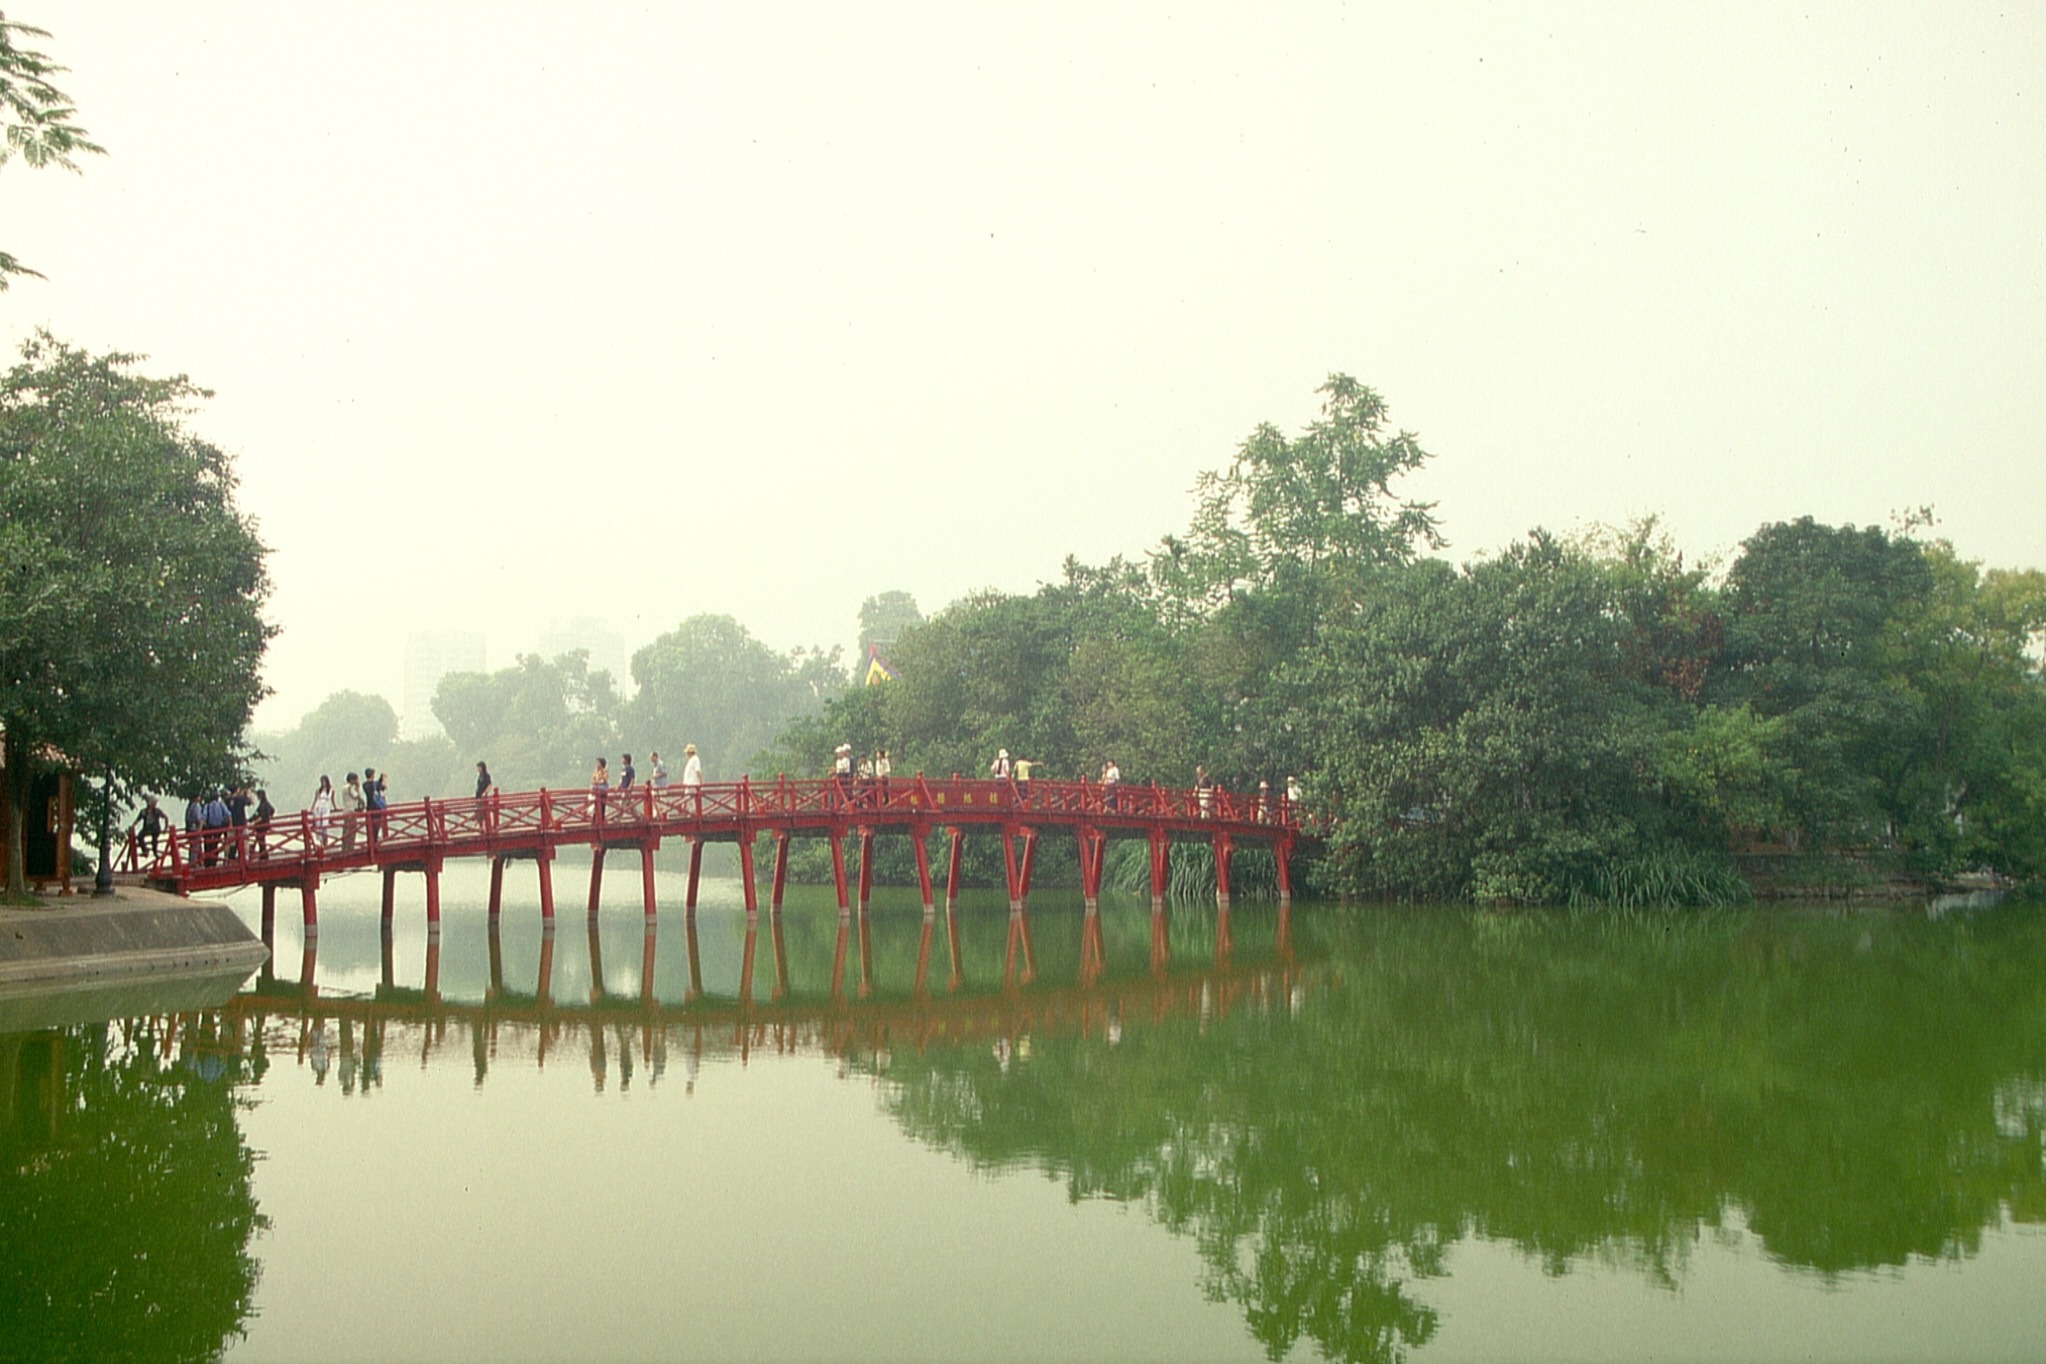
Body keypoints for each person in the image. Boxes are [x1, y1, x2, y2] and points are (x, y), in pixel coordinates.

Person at [128, 795, 169, 860]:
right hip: (147, 828)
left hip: (155, 828)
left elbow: (166, 818)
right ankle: (145, 850)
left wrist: (165, 828)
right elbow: (137, 820)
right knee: (139, 837)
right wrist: (132, 827)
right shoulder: (143, 812)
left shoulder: (157, 811)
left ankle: (155, 853)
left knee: (154, 839)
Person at [340, 772, 365, 853]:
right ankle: (350, 847)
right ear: (352, 780)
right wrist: (358, 787)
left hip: (346, 810)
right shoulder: (350, 788)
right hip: (351, 811)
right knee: (352, 829)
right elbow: (356, 796)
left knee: (346, 829)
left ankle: (344, 847)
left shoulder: (344, 788)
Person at [225, 785, 252, 860]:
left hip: (232, 824)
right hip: (242, 822)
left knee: (231, 842)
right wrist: (248, 794)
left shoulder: (227, 800)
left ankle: (228, 858)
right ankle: (246, 857)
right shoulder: (241, 798)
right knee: (245, 840)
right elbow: (251, 802)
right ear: (237, 790)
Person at [310, 776, 335, 849]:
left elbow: (332, 800)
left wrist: (335, 807)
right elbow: (315, 800)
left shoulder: (331, 790)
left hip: (326, 807)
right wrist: (312, 808)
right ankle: (321, 843)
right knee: (318, 825)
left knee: (324, 825)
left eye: (324, 781)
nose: (323, 783)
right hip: (318, 807)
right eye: (322, 782)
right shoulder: (318, 790)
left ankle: (325, 842)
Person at [252, 788, 275, 859]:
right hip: (265, 824)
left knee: (261, 840)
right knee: (261, 839)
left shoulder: (262, 805)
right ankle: (263, 854)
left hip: (261, 826)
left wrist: (253, 823)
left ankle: (263, 855)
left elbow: (261, 817)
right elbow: (272, 810)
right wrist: (269, 817)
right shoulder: (266, 803)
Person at [681, 744, 703, 809]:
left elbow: (697, 771)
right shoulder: (692, 760)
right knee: (689, 800)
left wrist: (700, 780)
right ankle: (691, 812)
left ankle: (693, 813)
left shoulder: (695, 759)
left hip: (692, 783)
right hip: (689, 784)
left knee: (690, 800)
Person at [589, 756, 609, 821]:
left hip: (602, 787)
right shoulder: (595, 771)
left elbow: (604, 779)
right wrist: (595, 782)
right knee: (596, 805)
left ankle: (601, 819)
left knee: (602, 805)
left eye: (598, 762)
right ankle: (594, 818)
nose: (597, 764)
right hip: (596, 787)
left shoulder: (604, 771)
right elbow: (593, 779)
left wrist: (598, 782)